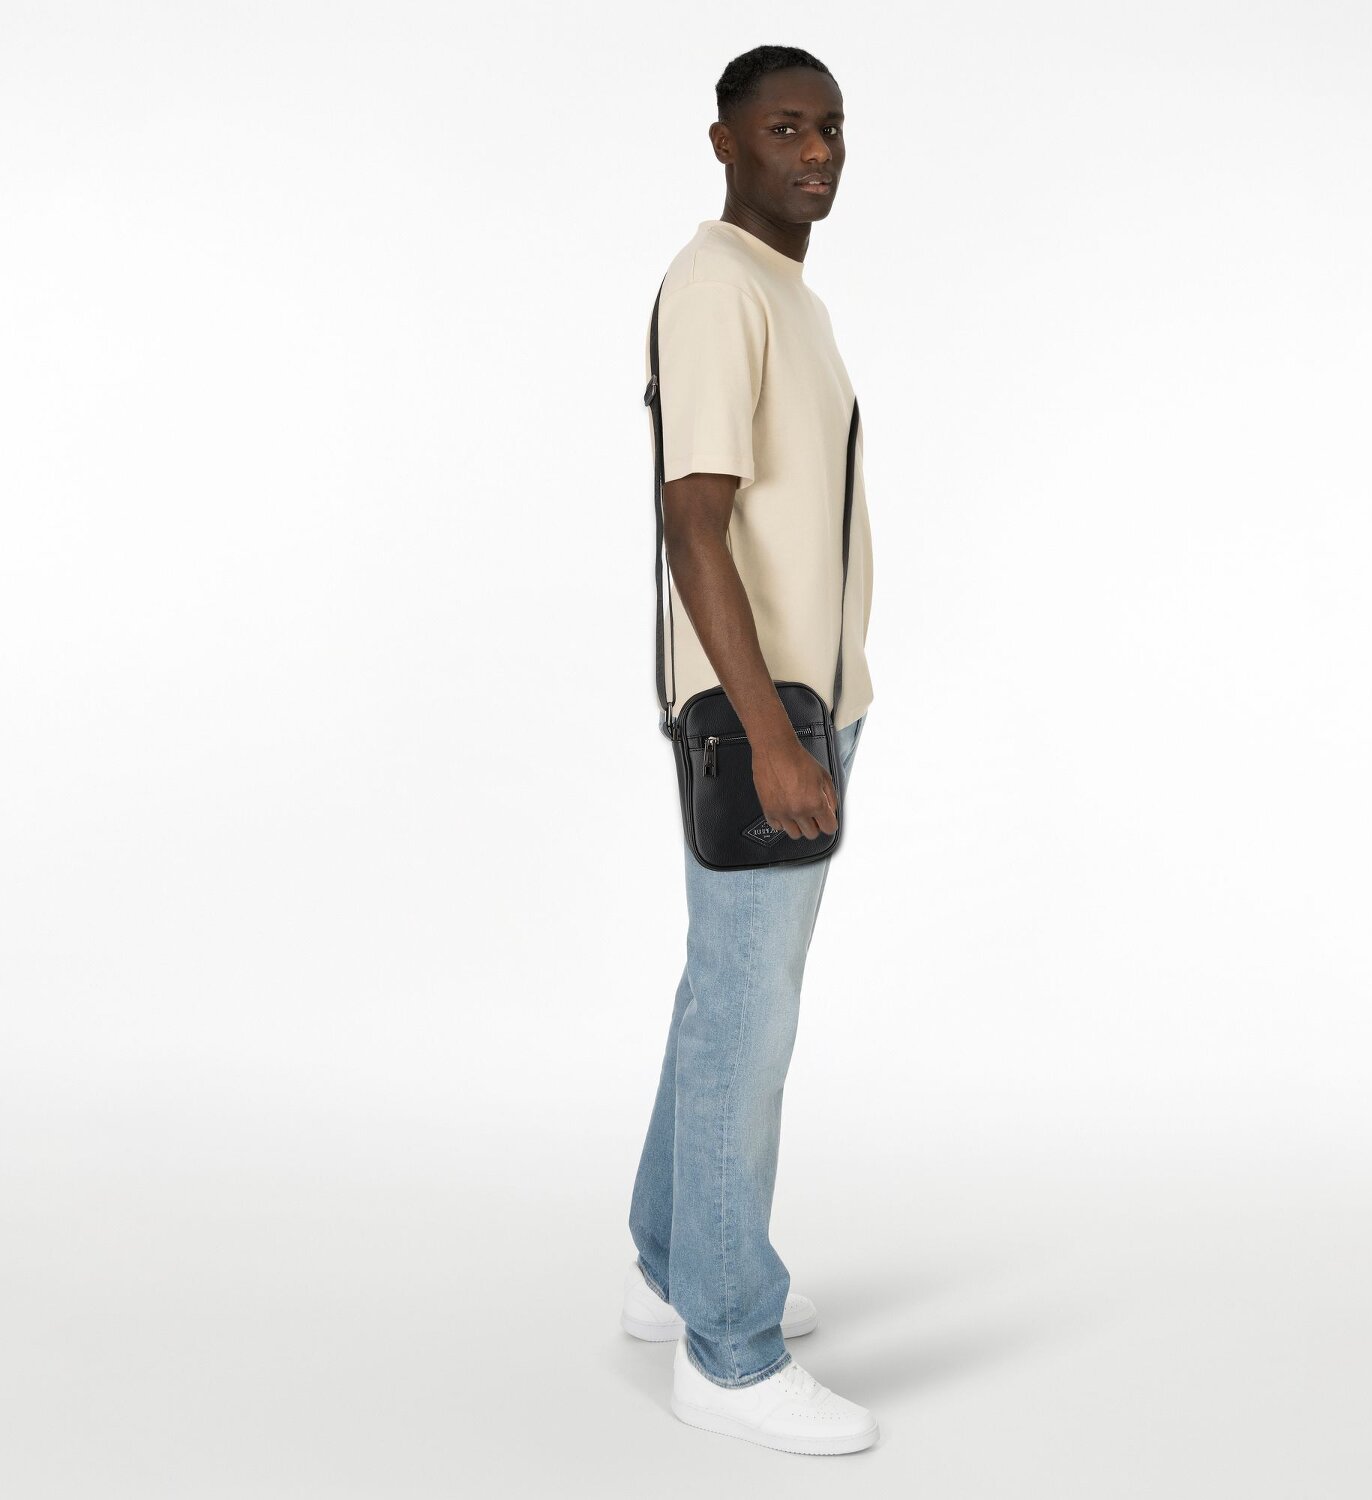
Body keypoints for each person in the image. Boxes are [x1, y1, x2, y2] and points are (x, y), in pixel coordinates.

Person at [622, 46, 880, 1457]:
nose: (817, 152)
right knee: (746, 1014)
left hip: (804, 702)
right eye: (786, 128)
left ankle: (673, 1261)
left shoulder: (785, 288)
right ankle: (727, 1348)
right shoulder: (718, 282)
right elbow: (694, 519)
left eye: (831, 128)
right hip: (760, 712)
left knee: (724, 992)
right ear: (723, 142)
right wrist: (779, 736)